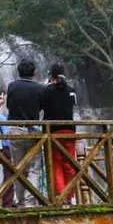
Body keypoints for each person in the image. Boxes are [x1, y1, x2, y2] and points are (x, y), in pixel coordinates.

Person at [3, 59, 45, 208]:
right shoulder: (40, 88)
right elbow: (42, 107)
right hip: (33, 129)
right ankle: (30, 201)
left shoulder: (12, 86)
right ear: (34, 73)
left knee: (18, 167)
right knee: (34, 168)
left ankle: (20, 201)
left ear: (18, 72)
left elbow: (8, 106)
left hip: (14, 129)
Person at [41, 63, 77, 202]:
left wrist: (47, 84)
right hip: (69, 130)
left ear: (51, 75)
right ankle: (71, 197)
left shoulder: (47, 90)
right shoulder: (71, 89)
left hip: (53, 131)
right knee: (69, 164)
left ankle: (60, 197)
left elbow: (43, 105)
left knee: (56, 164)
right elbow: (72, 105)